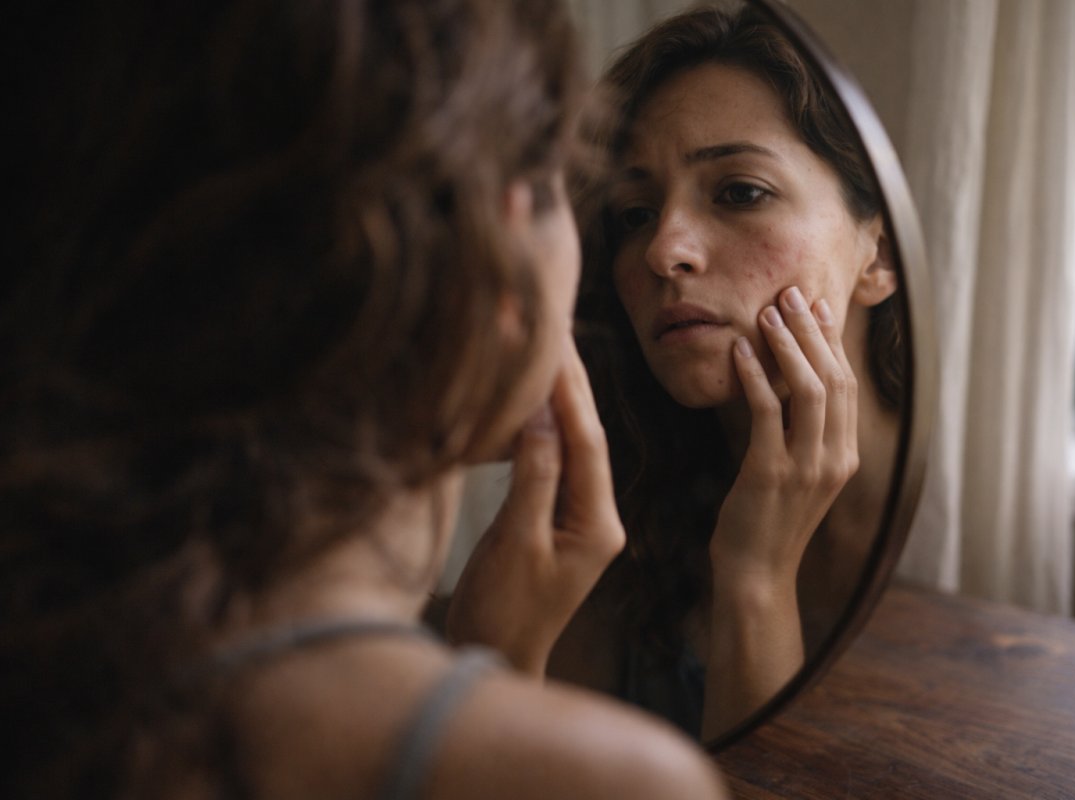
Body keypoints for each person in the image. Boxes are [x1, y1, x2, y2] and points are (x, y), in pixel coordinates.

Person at [0, 1, 728, 798]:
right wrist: (497, 698)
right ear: (500, 247)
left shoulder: (60, 649)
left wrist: (495, 668)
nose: (662, 255)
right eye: (590, 198)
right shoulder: (614, 781)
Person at [555, 5, 908, 740]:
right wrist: (754, 574)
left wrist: (755, 577)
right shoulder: (624, 500)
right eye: (633, 214)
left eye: (740, 191)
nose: (664, 251)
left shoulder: (957, 540)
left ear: (875, 257)